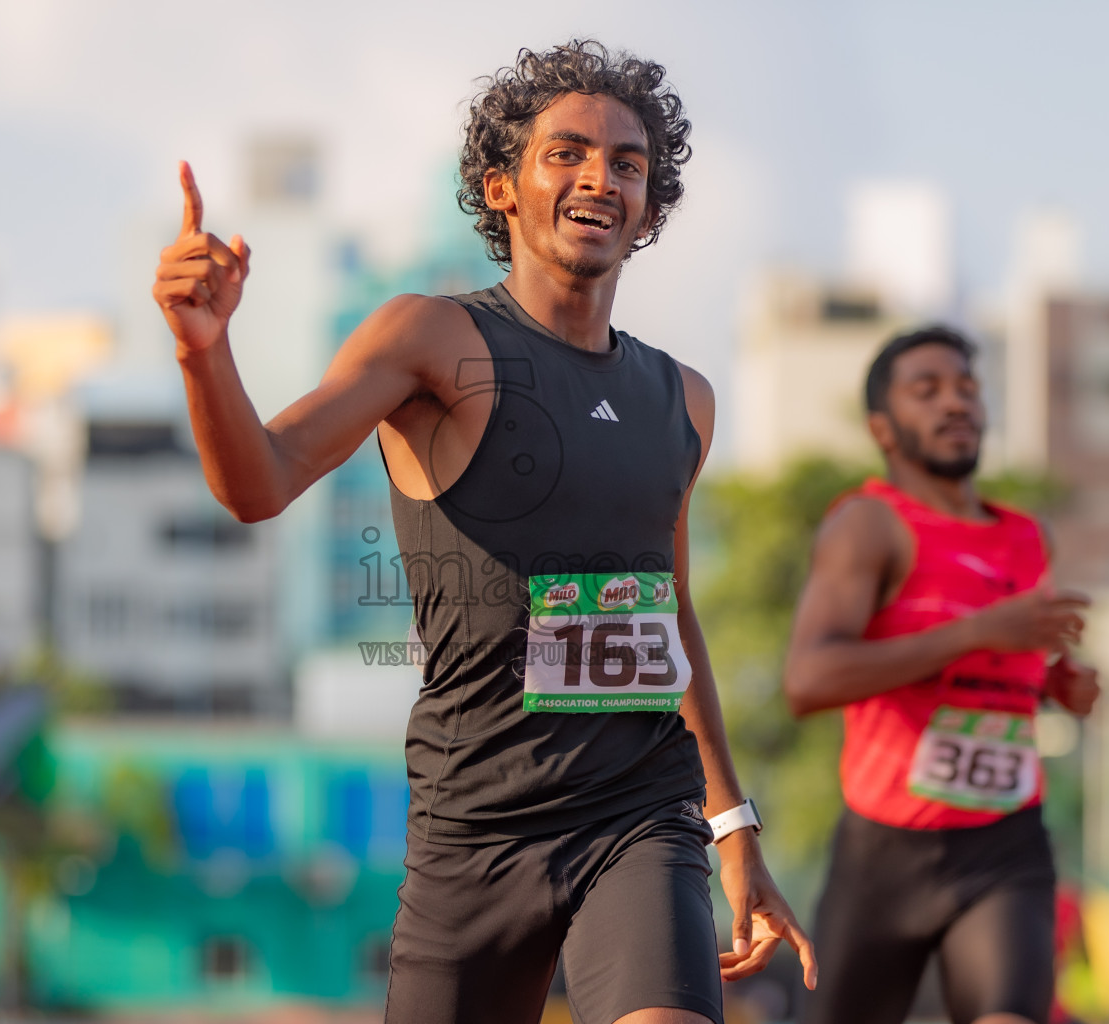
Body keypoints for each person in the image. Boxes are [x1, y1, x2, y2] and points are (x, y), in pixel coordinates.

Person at [152, 38, 815, 1024]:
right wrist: (203, 355)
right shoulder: (431, 339)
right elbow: (262, 481)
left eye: (627, 163)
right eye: (569, 153)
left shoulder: (684, 399)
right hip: (475, 829)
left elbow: (668, 614)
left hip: (638, 817)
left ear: (649, 206)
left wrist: (733, 829)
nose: (601, 176)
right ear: (501, 187)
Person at [784, 325, 1101, 1024]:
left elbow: (1005, 668)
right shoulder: (868, 526)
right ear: (884, 428)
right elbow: (808, 680)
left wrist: (1056, 687)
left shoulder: (1026, 535)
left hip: (1005, 840)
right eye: (926, 391)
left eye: (967, 387)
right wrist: (976, 632)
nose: (955, 403)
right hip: (885, 848)